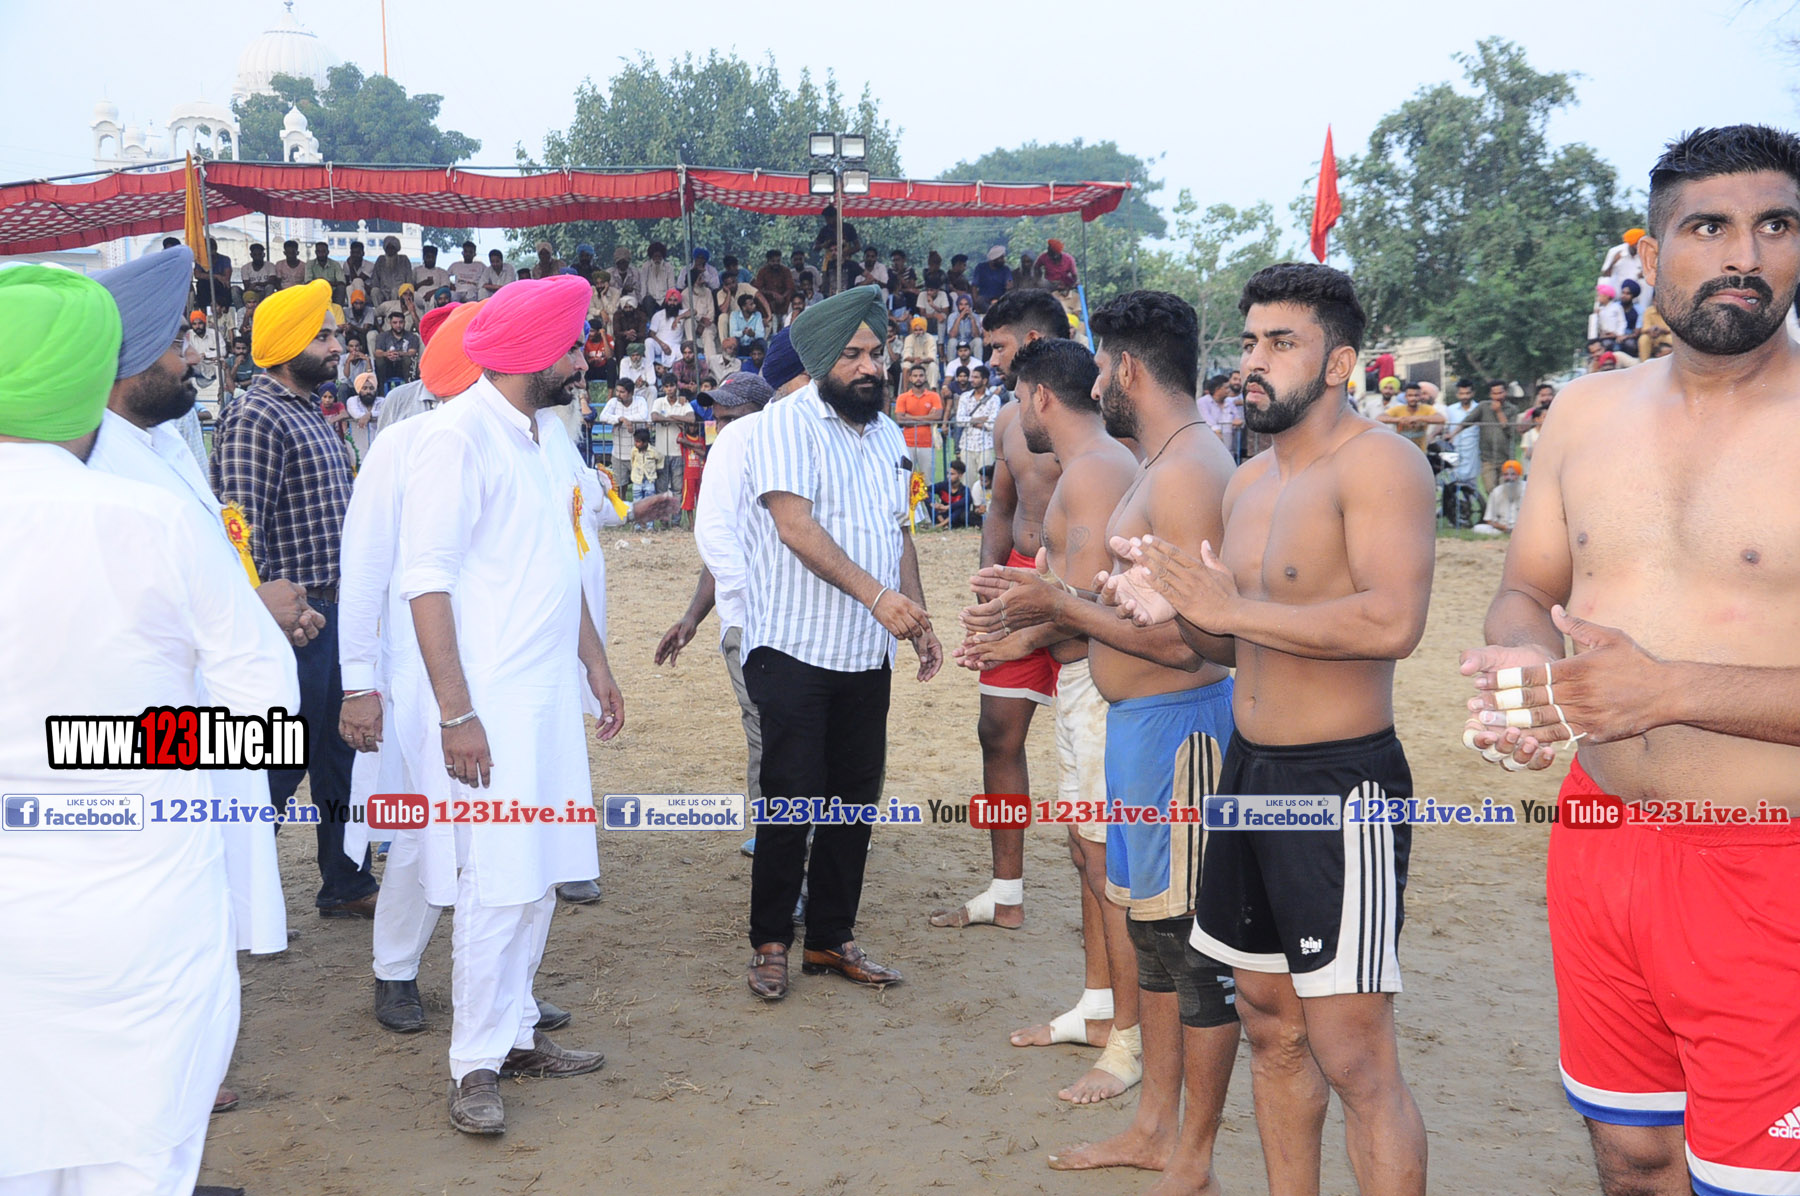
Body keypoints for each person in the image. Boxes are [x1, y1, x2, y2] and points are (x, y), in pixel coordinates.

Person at [1461, 124, 1800, 1196]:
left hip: (1770, 862)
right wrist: (1525, 675)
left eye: (1775, 225)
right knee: (1632, 1152)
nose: (1743, 255)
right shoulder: (1586, 410)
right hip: (1600, 837)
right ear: (1650, 255)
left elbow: (1654, 684)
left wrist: (1669, 690)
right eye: (1708, 227)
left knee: (1753, 1182)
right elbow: (1528, 588)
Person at [1112, 263, 1432, 1195]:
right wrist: (1173, 605)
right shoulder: (1248, 480)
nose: (1254, 360)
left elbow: (1392, 622)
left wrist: (1231, 611)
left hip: (1340, 786)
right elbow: (1228, 638)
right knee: (1267, 1020)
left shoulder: (1380, 464)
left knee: (1354, 1054)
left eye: (1281, 343)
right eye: (1250, 340)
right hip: (1247, 774)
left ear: (1338, 363)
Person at [0, 265, 299, 1196]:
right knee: (140, 1149)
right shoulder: (151, 520)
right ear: (95, 377)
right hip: (142, 897)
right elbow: (266, 716)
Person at [964, 294, 1242, 1174]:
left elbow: (1195, 641)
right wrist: (1039, 616)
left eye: (1103, 369)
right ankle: (1156, 1127)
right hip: (1141, 724)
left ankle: (1186, 1148)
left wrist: (1055, 606)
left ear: (1124, 369)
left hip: (1177, 728)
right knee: (1151, 939)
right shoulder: (1163, 461)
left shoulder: (1187, 469)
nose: (1093, 386)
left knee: (1182, 948)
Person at [398, 276, 616, 1133]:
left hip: (548, 700)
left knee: (542, 875)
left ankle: (518, 1034)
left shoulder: (542, 436)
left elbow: (562, 563)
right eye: (573, 347)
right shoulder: (456, 439)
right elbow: (426, 583)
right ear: (537, 355)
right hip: (489, 709)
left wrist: (595, 664)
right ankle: (474, 1067)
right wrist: (457, 713)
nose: (583, 360)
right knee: (496, 883)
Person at [741, 285, 942, 1001]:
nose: (870, 367)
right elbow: (795, 527)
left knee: (854, 802)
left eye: (876, 353)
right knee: (791, 802)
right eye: (853, 354)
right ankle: (771, 941)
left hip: (866, 652)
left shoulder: (886, 434)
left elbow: (897, 533)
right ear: (822, 359)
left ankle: (830, 937)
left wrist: (915, 612)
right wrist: (878, 597)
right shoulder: (784, 423)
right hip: (793, 648)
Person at [210, 279, 380, 918]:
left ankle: (347, 881)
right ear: (286, 346)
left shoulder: (308, 409)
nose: (339, 346)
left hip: (334, 616)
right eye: (324, 336)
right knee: (278, 765)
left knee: (341, 753)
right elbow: (238, 529)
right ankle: (232, 898)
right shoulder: (256, 415)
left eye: (335, 333)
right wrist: (264, 613)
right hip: (293, 624)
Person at [928, 287, 1071, 935]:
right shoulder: (1011, 418)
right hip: (1016, 582)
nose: (990, 360)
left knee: (1096, 740)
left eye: (998, 347)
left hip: (1082, 589)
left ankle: (1118, 892)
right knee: (998, 733)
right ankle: (1005, 894)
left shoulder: (1102, 414)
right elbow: (1001, 508)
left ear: (1033, 342)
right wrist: (989, 584)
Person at [655, 360, 801, 864]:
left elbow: (722, 541)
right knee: (764, 722)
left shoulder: (770, 452)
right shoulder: (740, 456)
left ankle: (797, 828)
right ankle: (775, 826)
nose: (721, 426)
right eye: (717, 418)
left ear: (761, 411)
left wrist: (752, 598)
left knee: (782, 724)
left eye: (730, 416)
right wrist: (692, 618)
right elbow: (720, 548)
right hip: (752, 616)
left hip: (775, 616)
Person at [893, 364, 944, 492]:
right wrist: (927, 418)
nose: (918, 378)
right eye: (915, 376)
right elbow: (900, 419)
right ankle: (908, 505)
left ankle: (928, 505)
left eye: (921, 375)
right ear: (910, 378)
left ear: (925, 377)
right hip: (907, 444)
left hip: (927, 443)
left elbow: (937, 416)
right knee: (906, 479)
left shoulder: (934, 396)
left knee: (927, 480)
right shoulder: (903, 397)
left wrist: (910, 417)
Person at [1382, 380, 1443, 450]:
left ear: (1420, 396)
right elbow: (1380, 418)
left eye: (1416, 395)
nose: (1413, 398)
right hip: (1401, 449)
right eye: (1410, 395)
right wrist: (1399, 420)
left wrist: (1418, 418)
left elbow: (1441, 419)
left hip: (1420, 451)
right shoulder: (1398, 409)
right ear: (1405, 397)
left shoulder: (1427, 409)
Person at [1471, 458, 1524, 534]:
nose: (1509, 478)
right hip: (1503, 528)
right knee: (1477, 528)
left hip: (1524, 528)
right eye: (1506, 475)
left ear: (1519, 475)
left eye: (1513, 474)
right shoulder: (1496, 492)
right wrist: (1505, 528)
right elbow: (1489, 520)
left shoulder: (1528, 490)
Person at [374, 310, 420, 392]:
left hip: (403, 367)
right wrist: (387, 354)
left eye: (401, 322)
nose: (398, 325)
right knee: (379, 360)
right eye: (395, 323)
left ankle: (410, 390)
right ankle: (381, 391)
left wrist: (398, 353)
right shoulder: (382, 336)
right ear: (390, 323)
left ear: (404, 322)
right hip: (387, 367)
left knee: (409, 359)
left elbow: (412, 352)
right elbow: (377, 352)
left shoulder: (412, 336)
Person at [754, 249, 796, 329]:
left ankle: (788, 320)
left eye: (778, 261)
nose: (776, 263)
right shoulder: (762, 271)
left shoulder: (785, 270)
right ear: (768, 261)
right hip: (768, 301)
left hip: (784, 301)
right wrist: (772, 294)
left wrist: (782, 297)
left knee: (792, 295)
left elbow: (790, 287)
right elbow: (758, 289)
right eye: (773, 261)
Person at [932, 458, 977, 528]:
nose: (948, 476)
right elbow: (927, 489)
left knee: (962, 506)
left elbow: (968, 500)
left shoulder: (964, 489)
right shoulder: (942, 485)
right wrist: (933, 503)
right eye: (948, 473)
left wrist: (948, 507)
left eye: (952, 474)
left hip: (957, 518)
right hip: (943, 515)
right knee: (926, 495)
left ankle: (941, 525)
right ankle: (943, 523)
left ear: (960, 475)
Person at [369, 236, 414, 305]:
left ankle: (394, 310)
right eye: (388, 248)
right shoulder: (380, 260)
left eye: (392, 248)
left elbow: (409, 281)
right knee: (374, 291)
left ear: (396, 249)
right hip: (383, 293)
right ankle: (379, 311)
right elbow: (375, 280)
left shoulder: (404, 260)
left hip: (399, 293)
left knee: (395, 291)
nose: (390, 251)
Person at [972, 245, 1011, 313]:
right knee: (980, 300)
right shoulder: (980, 268)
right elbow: (974, 286)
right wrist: (975, 302)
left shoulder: (1005, 269)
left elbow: (1009, 284)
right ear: (994, 260)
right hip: (984, 299)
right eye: (1001, 258)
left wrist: (1009, 285)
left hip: (1000, 298)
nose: (1004, 260)